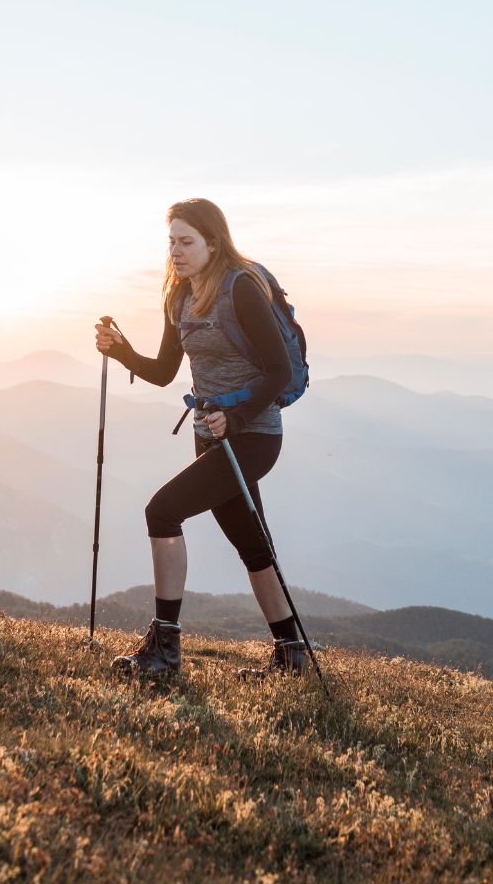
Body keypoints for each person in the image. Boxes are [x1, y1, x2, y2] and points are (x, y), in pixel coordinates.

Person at [95, 197, 307, 679]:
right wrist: (121, 351)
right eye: (171, 241)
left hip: (253, 436)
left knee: (162, 511)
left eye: (186, 242)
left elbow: (278, 372)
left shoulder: (242, 290)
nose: (176, 251)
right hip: (209, 434)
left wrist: (234, 418)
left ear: (213, 243)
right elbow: (165, 371)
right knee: (251, 544)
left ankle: (165, 649)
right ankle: (290, 652)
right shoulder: (178, 296)